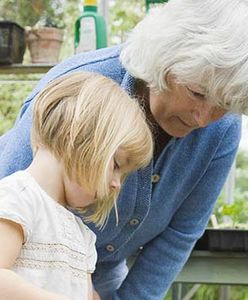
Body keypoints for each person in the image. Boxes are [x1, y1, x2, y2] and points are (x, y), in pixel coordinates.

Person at [0, 0, 248, 299]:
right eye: (197, 93)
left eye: (223, 105)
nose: (203, 118)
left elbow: (179, 235)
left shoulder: (221, 132)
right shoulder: (79, 90)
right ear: (163, 60)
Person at [0, 72, 153, 300]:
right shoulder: (17, 198)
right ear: (80, 138)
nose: (116, 184)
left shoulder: (82, 236)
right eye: (116, 165)